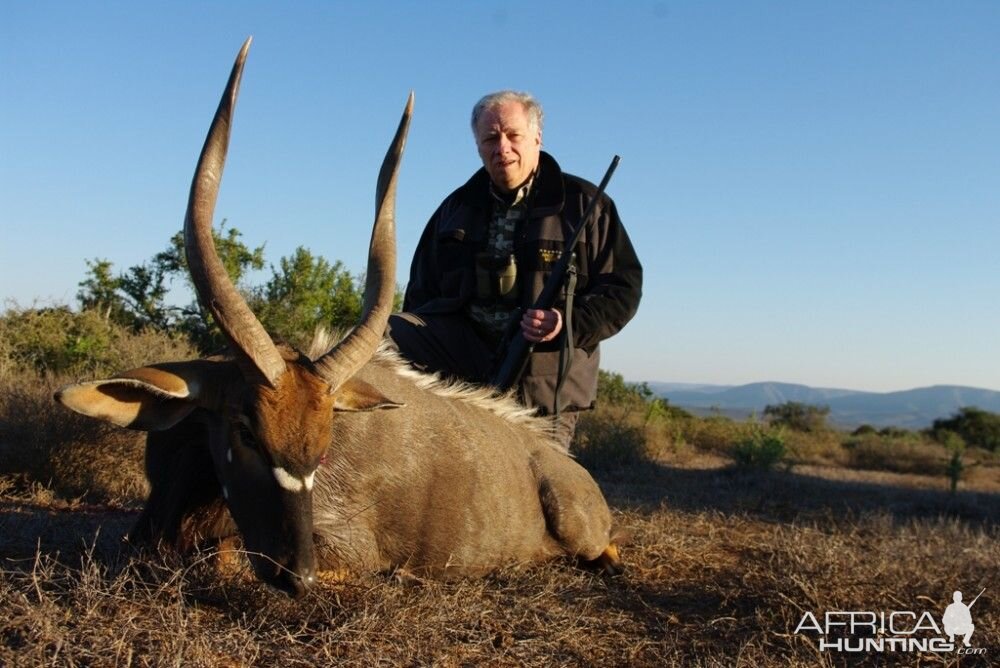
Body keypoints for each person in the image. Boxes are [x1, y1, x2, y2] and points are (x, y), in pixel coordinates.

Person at [387, 90, 642, 448]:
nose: (502, 147)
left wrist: (566, 324)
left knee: (543, 485)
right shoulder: (454, 209)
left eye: (513, 135)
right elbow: (420, 295)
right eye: (490, 138)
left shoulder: (588, 205)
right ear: (478, 146)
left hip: (545, 373)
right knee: (385, 334)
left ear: (537, 137)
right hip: (467, 362)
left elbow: (623, 291)